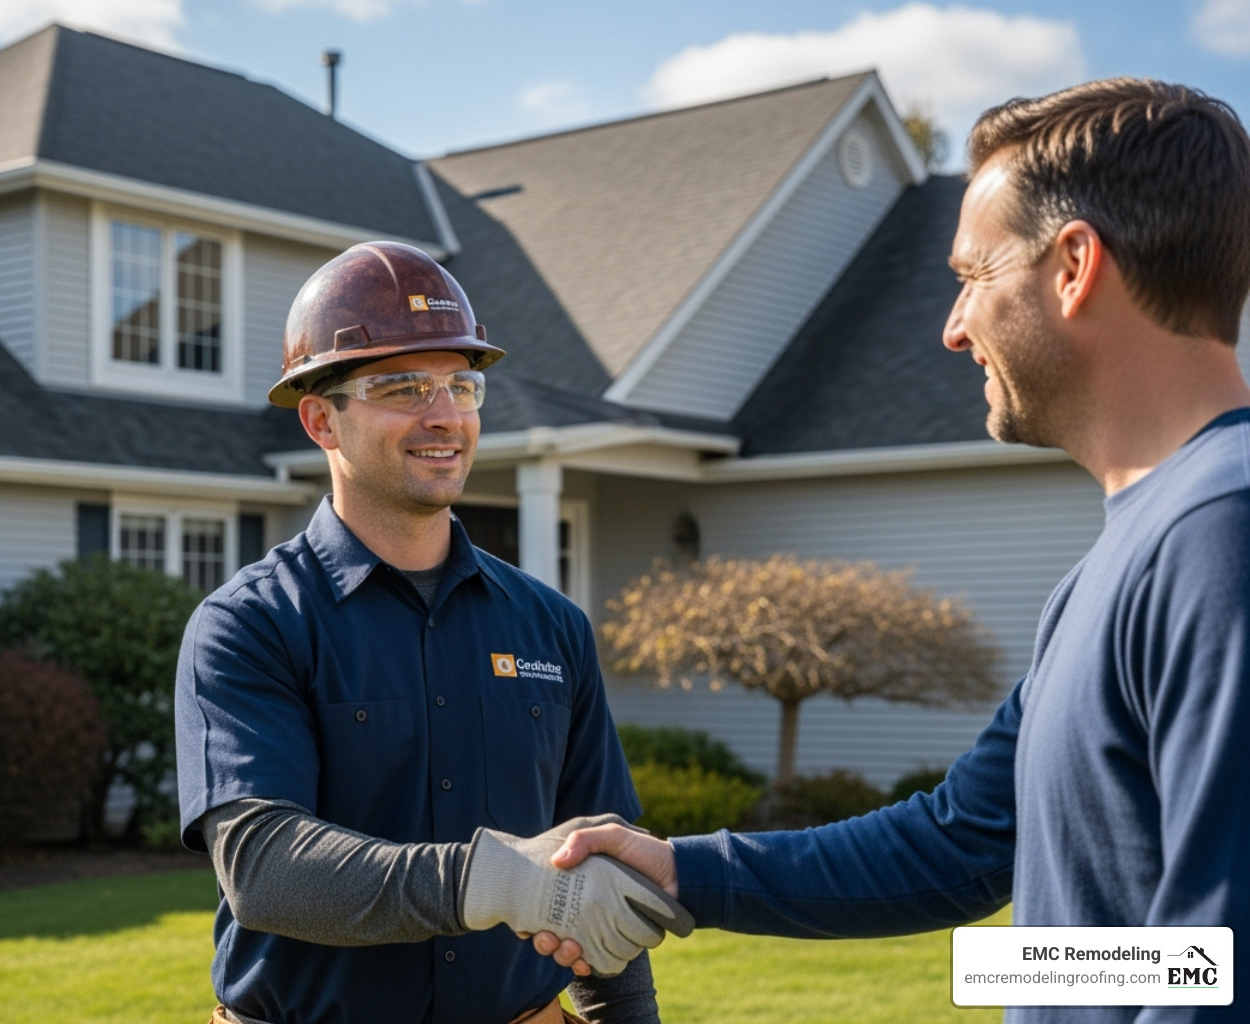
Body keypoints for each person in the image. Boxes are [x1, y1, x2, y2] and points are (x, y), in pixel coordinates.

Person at [534, 78, 1250, 1023]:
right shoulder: (1122, 564)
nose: (953, 327)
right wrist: (679, 870)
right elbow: (958, 846)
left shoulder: (1219, 538)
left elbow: (1216, 966)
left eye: (971, 276)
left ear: (1074, 266)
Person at [174, 241, 690, 1024]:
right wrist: (496, 881)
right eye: (403, 387)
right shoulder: (250, 626)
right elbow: (267, 870)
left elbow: (602, 868)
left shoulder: (553, 627)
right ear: (321, 420)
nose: (445, 414)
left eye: (461, 384)